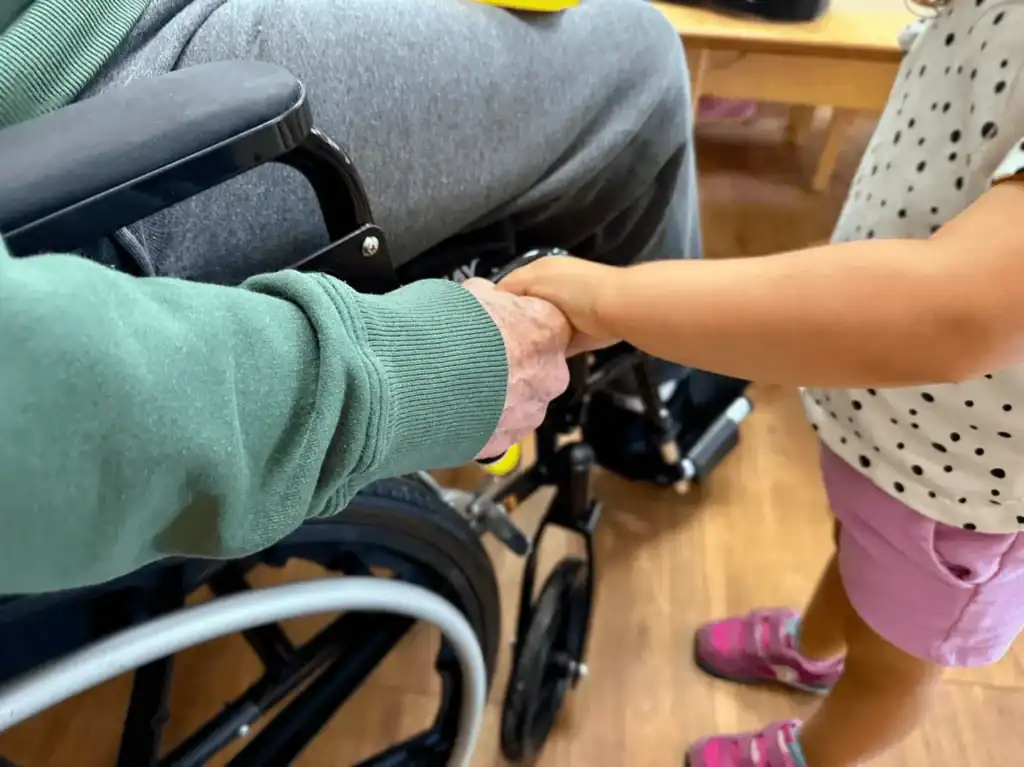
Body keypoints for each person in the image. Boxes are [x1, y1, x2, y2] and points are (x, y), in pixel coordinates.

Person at [0, 0, 696, 594]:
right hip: (74, 118)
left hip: (80, 38)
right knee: (644, 57)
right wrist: (411, 375)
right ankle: (661, 402)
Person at [501, 2, 1024, 765]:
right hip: (892, 419)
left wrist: (614, 299)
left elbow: (952, 312)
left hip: (967, 480)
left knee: (894, 665)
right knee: (859, 545)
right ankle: (813, 647)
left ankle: (809, 755)